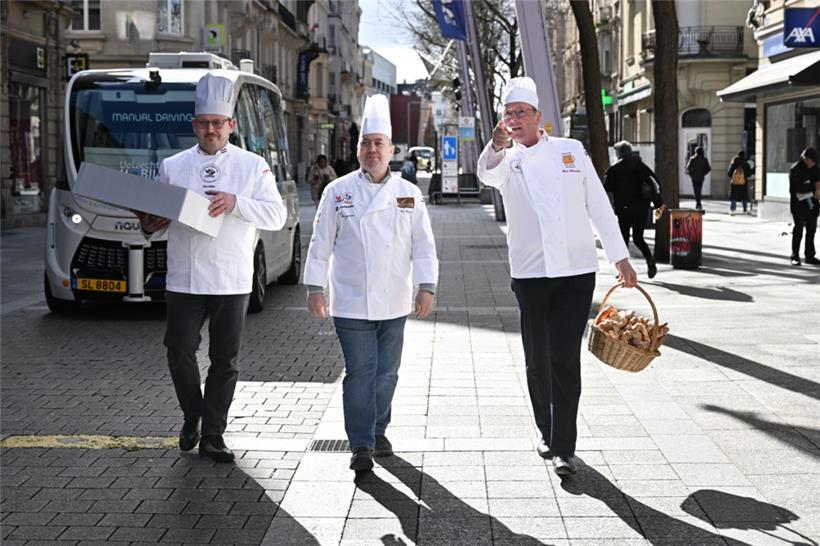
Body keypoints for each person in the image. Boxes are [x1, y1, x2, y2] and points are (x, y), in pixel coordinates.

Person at [477, 77, 637, 477]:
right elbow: (484, 174)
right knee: (537, 360)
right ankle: (546, 431)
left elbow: (599, 207)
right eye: (508, 114)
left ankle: (564, 445)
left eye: (520, 113)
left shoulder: (571, 151)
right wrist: (496, 143)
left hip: (576, 272)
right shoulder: (506, 160)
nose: (513, 120)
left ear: (537, 117)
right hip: (530, 274)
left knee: (564, 357)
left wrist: (620, 257)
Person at [138, 73, 287, 463]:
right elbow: (155, 219)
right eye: (204, 123)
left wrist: (236, 202)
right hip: (185, 277)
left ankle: (214, 434)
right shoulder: (172, 166)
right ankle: (194, 413)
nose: (211, 130)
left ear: (231, 125)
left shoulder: (253, 167)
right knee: (178, 349)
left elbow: (276, 214)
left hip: (232, 276)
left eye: (217, 123)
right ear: (194, 126)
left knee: (225, 360)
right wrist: (151, 223)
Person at [303, 94, 438, 473]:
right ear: (358, 149)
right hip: (350, 300)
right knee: (361, 371)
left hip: (394, 299)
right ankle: (361, 443)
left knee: (387, 373)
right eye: (366, 143)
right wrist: (316, 288)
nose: (372, 150)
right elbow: (320, 243)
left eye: (379, 143)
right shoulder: (337, 191)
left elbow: (423, 245)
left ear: (392, 150)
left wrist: (426, 286)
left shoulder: (409, 195)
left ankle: (379, 429)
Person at [604, 141, 666, 279]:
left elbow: (606, 187)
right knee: (638, 238)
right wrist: (658, 203)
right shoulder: (642, 167)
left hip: (624, 209)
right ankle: (650, 260)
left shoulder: (615, 169)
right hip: (641, 209)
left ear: (619, 153)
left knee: (623, 239)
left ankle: (623, 270)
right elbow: (655, 184)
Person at [789, 147, 820, 266]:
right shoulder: (796, 169)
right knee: (799, 230)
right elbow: (795, 188)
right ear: (806, 159)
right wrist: (813, 187)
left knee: (811, 230)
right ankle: (795, 256)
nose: (814, 164)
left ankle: (810, 255)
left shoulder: (815, 168)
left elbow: (818, 182)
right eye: (812, 161)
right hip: (799, 205)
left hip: (812, 205)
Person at [727, 150, 752, 216]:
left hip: (734, 183)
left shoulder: (734, 163)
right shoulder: (746, 164)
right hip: (743, 182)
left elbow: (729, 173)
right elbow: (749, 174)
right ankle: (745, 210)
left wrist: (734, 177)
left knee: (733, 197)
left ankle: (732, 210)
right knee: (744, 196)